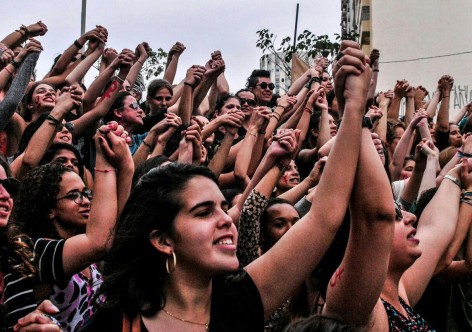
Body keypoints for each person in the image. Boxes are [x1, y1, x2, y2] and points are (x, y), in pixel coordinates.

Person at [82, 39, 368, 331]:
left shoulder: (239, 303)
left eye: (222, 207)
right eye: (204, 212)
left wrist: (354, 108)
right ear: (163, 240)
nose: (226, 220)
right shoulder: (115, 322)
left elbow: (323, 218)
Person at [3, 123, 133, 331]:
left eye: (86, 193)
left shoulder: (84, 248)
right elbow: (100, 241)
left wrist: (126, 166)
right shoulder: (34, 251)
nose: (85, 201)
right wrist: (104, 161)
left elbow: (114, 231)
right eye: (74, 196)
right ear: (49, 209)